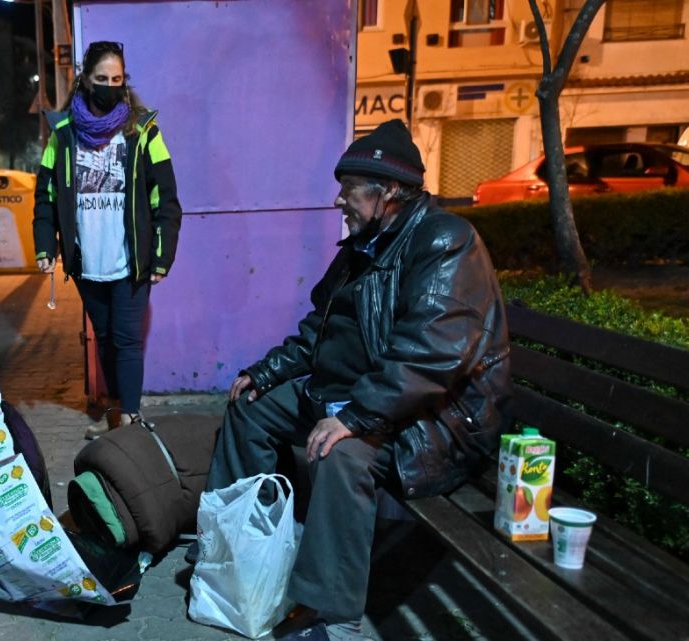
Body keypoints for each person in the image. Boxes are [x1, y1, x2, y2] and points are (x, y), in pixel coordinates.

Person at [194, 120, 513, 640]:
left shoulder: (443, 241)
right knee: (252, 406)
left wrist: (354, 417)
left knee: (338, 453)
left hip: (430, 419)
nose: (339, 201)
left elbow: (432, 354)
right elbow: (318, 332)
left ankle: (331, 614)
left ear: (387, 191)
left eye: (349, 191)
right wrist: (266, 371)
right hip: (359, 395)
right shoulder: (362, 245)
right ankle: (239, 546)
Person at [32, 41, 182, 439]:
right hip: (86, 261)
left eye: (117, 80)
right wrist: (46, 246)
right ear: (85, 80)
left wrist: (162, 257)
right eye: (102, 79)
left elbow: (165, 198)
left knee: (127, 340)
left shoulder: (143, 131)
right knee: (104, 340)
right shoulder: (63, 135)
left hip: (131, 261)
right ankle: (117, 411)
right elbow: (45, 197)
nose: (110, 87)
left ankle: (129, 420)